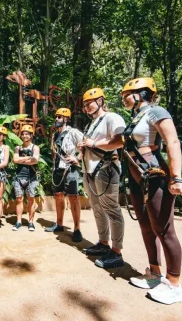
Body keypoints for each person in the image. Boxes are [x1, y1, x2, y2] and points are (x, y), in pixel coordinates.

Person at [120, 77, 182, 304]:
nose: (123, 98)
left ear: (141, 93)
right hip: (137, 175)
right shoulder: (136, 117)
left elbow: (173, 142)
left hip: (154, 173)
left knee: (164, 229)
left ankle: (174, 284)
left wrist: (176, 177)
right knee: (146, 225)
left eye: (126, 94)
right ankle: (155, 273)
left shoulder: (156, 112)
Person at [79, 88, 126, 269]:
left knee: (112, 210)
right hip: (90, 170)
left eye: (88, 103)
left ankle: (116, 252)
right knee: (97, 208)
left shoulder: (111, 117)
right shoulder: (92, 123)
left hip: (106, 169)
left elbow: (121, 141)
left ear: (100, 101)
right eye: (84, 105)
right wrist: (83, 148)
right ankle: (103, 243)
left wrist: (93, 144)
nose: (86, 107)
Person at [45, 108, 84, 243]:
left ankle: (77, 229)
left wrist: (77, 158)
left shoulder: (73, 132)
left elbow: (85, 146)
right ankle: (59, 224)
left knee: (73, 197)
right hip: (58, 169)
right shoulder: (55, 135)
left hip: (70, 168)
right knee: (58, 196)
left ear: (66, 119)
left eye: (60, 117)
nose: (57, 119)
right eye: (56, 117)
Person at [12, 125, 40, 231]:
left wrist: (21, 159)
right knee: (19, 199)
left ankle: (31, 222)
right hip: (19, 176)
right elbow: (15, 160)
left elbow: (35, 160)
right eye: (23, 134)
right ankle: (18, 221)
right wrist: (28, 158)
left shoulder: (35, 147)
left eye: (27, 134)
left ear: (31, 135)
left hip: (31, 177)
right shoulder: (17, 148)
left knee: (31, 200)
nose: (25, 136)